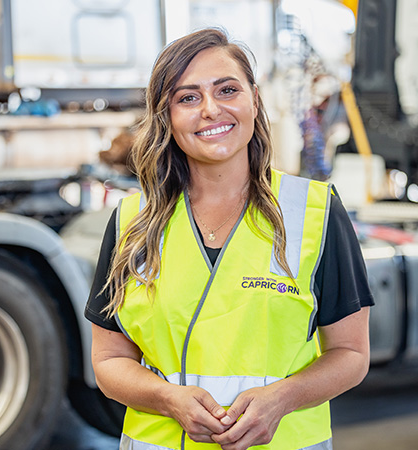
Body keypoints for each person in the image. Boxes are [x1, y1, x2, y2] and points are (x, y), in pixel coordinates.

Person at [85, 28, 374, 450]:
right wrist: (168, 400)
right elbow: (109, 360)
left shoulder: (314, 212)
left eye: (227, 90)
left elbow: (351, 354)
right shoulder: (133, 222)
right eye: (187, 97)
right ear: (166, 116)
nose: (210, 109)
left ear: (254, 100)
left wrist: (281, 399)